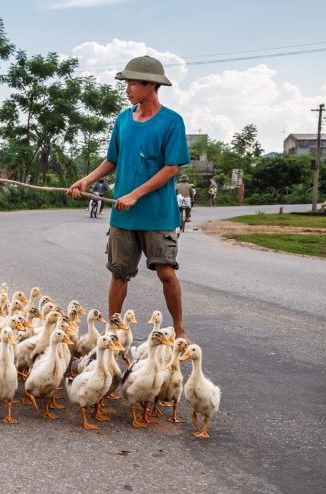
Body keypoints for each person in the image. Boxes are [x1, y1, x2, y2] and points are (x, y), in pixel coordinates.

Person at [67, 55, 191, 343]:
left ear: (151, 85)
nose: (127, 89)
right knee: (118, 274)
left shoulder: (172, 122)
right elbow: (113, 159)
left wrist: (135, 194)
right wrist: (87, 179)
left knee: (165, 272)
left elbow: (171, 168)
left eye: (132, 83)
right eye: (126, 83)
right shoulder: (123, 119)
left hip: (157, 213)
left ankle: (180, 329)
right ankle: (112, 330)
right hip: (123, 214)